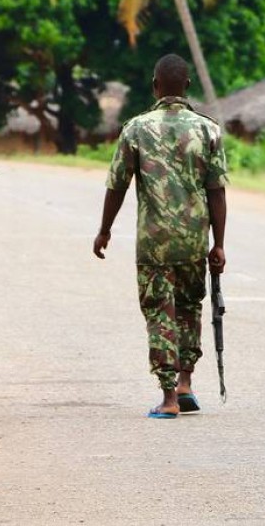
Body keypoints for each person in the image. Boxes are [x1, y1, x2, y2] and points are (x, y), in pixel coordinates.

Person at [94, 54, 228, 419]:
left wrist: (105, 230)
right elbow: (217, 190)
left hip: (153, 244)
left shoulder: (136, 129)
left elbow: (117, 185)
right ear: (187, 86)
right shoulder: (207, 130)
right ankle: (185, 384)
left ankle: (168, 398)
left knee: (159, 313)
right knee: (188, 308)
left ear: (155, 86)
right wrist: (219, 243)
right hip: (193, 241)